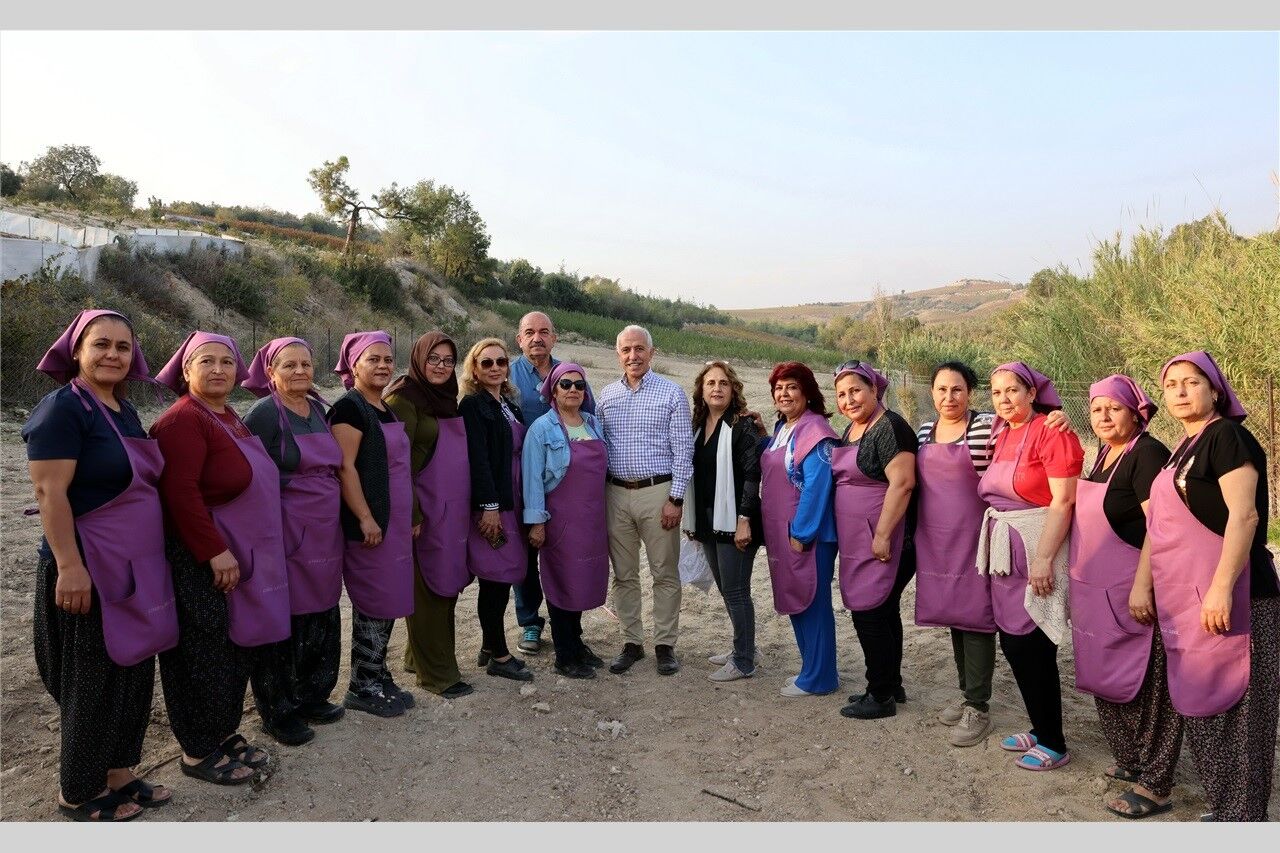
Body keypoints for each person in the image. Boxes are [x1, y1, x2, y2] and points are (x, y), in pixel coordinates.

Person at [24, 309, 178, 821]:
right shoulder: (62, 411)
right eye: (101, 345)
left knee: (132, 669)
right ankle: (79, 790)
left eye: (122, 347)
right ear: (77, 351)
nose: (113, 355)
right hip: (87, 567)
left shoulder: (123, 410)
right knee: (91, 678)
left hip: (135, 565)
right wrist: (69, 566)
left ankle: (119, 773)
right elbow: (50, 493)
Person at [1139, 351, 1278, 822]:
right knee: (1202, 701)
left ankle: (1243, 817)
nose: (1179, 391)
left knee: (1243, 715)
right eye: (1171, 383)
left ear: (1215, 389)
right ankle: (1225, 808)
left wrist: (1221, 588)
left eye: (1191, 382)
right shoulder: (1184, 446)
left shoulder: (1227, 437)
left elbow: (1245, 516)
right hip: (1189, 598)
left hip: (1240, 597)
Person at [151, 331, 290, 785]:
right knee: (202, 650)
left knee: (231, 646)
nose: (217, 370)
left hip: (236, 550)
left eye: (226, 362)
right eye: (205, 362)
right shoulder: (183, 421)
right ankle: (198, 750)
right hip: (202, 556)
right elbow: (180, 494)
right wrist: (213, 552)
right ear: (185, 370)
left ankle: (222, 731)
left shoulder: (228, 415)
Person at [1066, 374, 1180, 819]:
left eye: (1114, 408)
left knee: (1149, 687)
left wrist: (1143, 584)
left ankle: (1156, 784)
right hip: (1096, 591)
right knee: (1106, 675)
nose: (1104, 416)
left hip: (1133, 587)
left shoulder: (1148, 453)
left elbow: (1161, 525)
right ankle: (1131, 761)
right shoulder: (1102, 454)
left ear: (1136, 412)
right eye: (1096, 409)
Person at [976, 361, 1083, 771]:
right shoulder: (1002, 432)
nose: (1004, 399)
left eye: (1013, 391)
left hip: (1039, 543)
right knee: (1013, 643)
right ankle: (1039, 727)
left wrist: (1043, 558)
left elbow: (1064, 501)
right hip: (1007, 544)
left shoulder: (1052, 432)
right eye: (997, 392)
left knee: (1034, 643)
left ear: (1033, 392)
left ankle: (1054, 741)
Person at [242, 337, 347, 746]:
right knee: (283, 616)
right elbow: (250, 474)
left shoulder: (322, 410)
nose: (300, 372)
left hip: (325, 528)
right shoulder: (264, 415)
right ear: (270, 372)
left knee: (321, 609)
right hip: (285, 528)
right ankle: (277, 709)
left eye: (305, 365)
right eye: (289, 366)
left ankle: (312, 694)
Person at [597, 325, 694, 676]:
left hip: (658, 493)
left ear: (652, 353)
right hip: (616, 493)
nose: (633, 356)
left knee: (664, 572)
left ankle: (665, 645)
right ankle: (632, 642)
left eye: (639, 349)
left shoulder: (671, 394)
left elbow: (684, 451)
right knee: (624, 574)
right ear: (618, 353)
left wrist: (676, 498)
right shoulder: (606, 396)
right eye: (626, 350)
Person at [328, 331, 416, 716]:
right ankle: (361, 686)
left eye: (386, 359)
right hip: (370, 522)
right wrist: (365, 517)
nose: (382, 365)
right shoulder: (348, 409)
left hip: (392, 522)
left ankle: (377, 673)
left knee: (391, 597)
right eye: (373, 359)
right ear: (353, 365)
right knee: (373, 600)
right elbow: (345, 468)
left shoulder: (384, 407)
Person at [385, 332, 475, 699]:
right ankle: (437, 675)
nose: (440, 366)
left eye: (448, 360)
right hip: (420, 508)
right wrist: (412, 513)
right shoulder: (402, 398)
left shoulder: (447, 398)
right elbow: (396, 462)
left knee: (445, 581)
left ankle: (414, 657)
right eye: (433, 359)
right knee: (427, 590)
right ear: (418, 359)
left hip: (448, 507)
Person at [831, 361, 918, 720]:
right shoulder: (852, 429)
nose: (849, 400)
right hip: (860, 541)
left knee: (870, 614)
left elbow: (903, 483)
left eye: (855, 390)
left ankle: (879, 696)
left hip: (886, 541)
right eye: (841, 394)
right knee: (882, 612)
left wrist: (882, 535)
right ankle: (888, 685)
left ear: (874, 390)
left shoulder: (889, 427)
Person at [508, 311, 594, 654]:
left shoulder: (568, 375)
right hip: (522, 477)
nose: (537, 338)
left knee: (566, 555)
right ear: (519, 339)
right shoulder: (507, 375)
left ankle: (569, 625)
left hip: (565, 479)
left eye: (544, 332)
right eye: (529, 332)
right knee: (526, 555)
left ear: (554, 338)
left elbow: (590, 418)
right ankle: (530, 622)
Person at [523, 362, 610, 678]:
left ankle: (576, 642)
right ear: (553, 390)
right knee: (562, 583)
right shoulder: (541, 429)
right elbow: (532, 479)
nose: (573, 390)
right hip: (560, 521)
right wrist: (536, 522)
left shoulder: (592, 423)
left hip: (592, 521)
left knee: (584, 581)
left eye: (579, 385)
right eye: (565, 384)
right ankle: (565, 655)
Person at [681, 361, 765, 682]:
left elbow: (751, 475)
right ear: (701, 391)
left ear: (733, 390)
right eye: (711, 383)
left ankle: (743, 661)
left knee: (736, 589)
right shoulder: (698, 427)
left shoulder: (741, 426)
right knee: (727, 587)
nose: (717, 388)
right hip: (707, 519)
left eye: (724, 383)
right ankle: (745, 647)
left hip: (736, 521)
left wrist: (744, 520)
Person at [761, 361, 841, 698]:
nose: (784, 393)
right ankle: (809, 669)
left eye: (791, 386)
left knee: (813, 601)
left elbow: (817, 485)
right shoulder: (785, 429)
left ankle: (820, 678)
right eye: (778, 388)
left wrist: (802, 533)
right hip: (783, 532)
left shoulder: (816, 431)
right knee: (796, 599)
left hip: (807, 535)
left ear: (807, 393)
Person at [459, 337, 533, 681]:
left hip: (513, 499)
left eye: (500, 362)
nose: (494, 368)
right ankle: (500, 658)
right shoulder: (473, 406)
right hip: (494, 505)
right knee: (496, 578)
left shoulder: (507, 404)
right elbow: (479, 460)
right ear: (474, 368)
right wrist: (489, 507)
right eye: (486, 362)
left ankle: (489, 645)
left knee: (502, 576)